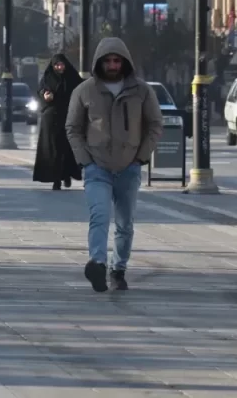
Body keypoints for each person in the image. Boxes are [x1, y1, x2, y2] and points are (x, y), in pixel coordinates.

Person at [66, 37, 163, 293]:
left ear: (124, 62)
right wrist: (84, 160)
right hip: (97, 167)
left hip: (129, 167)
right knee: (99, 216)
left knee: (125, 223)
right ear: (99, 62)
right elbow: (73, 128)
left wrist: (141, 156)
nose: (112, 65)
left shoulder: (142, 91)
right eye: (107, 61)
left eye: (116, 61)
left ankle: (118, 269)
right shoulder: (84, 91)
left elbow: (155, 124)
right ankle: (97, 264)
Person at [32, 54, 84, 190]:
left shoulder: (72, 78)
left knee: (67, 148)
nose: (59, 67)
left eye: (61, 64)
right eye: (56, 65)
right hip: (51, 118)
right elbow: (41, 90)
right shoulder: (48, 77)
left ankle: (66, 174)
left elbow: (81, 92)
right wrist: (45, 95)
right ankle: (56, 179)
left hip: (69, 117)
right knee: (53, 148)